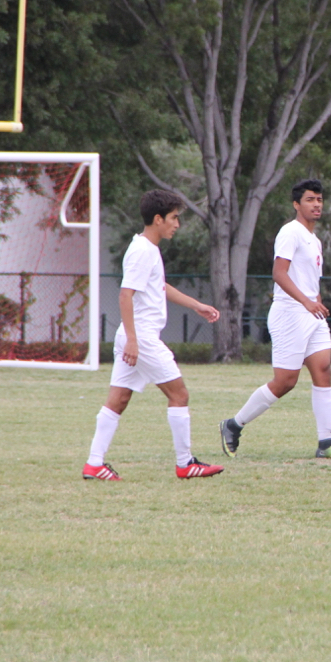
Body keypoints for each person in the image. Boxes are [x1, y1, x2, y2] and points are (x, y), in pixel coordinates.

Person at [83, 190, 224, 481]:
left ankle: (94, 464)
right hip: (142, 338)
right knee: (179, 394)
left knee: (118, 399)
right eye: (174, 218)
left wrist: (196, 305)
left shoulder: (148, 249)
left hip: (135, 336)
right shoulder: (142, 251)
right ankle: (185, 464)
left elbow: (159, 287)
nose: (177, 224)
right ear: (157, 219)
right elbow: (125, 295)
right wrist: (134, 340)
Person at [219, 179, 331, 460]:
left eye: (319, 199)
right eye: (310, 199)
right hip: (290, 314)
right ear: (297, 204)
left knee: (323, 370)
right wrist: (306, 301)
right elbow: (279, 273)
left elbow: (308, 278)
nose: (316, 204)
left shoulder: (315, 239)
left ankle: (326, 443)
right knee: (285, 381)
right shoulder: (290, 232)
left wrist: (315, 300)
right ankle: (233, 425)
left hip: (311, 313)